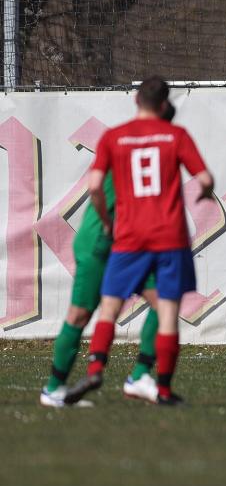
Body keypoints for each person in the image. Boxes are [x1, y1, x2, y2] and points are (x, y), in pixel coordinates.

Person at [65, 76, 213, 406]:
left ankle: (96, 365)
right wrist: (204, 193)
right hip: (169, 237)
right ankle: (160, 387)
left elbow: (93, 186)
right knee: (168, 312)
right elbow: (204, 179)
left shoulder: (113, 138)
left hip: (129, 236)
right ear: (164, 105)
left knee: (109, 308)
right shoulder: (176, 135)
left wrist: (106, 220)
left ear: (136, 100)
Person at [38, 104, 178, 408]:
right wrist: (106, 222)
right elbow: (97, 189)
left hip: (128, 245)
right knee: (80, 314)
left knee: (165, 301)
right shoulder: (135, 149)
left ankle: (139, 376)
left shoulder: (142, 148)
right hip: (100, 244)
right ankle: (53, 388)